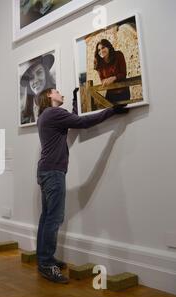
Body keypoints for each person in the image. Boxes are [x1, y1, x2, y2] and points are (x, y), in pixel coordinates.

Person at [35, 87, 128, 284]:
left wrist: (77, 101)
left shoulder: (46, 115)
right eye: (58, 91)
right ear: (49, 96)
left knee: (46, 218)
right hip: (53, 172)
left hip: (45, 171)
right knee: (54, 218)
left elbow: (72, 121)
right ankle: (45, 264)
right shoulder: (54, 113)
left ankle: (44, 258)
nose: (62, 94)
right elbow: (83, 123)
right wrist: (112, 111)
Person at [20, 54, 56, 125]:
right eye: (31, 77)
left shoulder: (57, 100)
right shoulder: (25, 114)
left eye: (39, 73)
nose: (35, 81)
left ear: (46, 73)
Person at [94, 39, 131, 106]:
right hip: (110, 95)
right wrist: (105, 81)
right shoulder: (99, 63)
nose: (101, 51)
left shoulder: (118, 55)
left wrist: (113, 78)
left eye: (103, 48)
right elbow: (102, 80)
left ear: (108, 47)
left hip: (123, 92)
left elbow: (123, 74)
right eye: (99, 50)